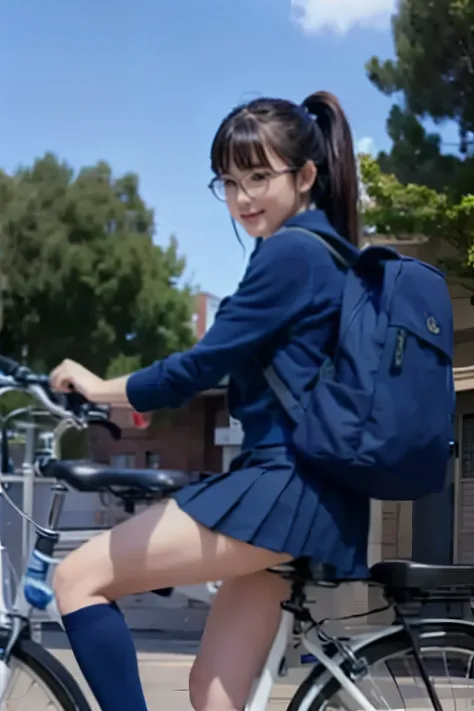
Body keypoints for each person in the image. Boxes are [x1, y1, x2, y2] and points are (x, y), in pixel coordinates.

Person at [50, 90, 370, 711]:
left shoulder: (291, 254)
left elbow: (197, 367)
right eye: (228, 181)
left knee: (77, 577)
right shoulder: (323, 250)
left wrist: (98, 387)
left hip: (283, 490)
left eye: (258, 176)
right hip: (309, 490)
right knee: (213, 694)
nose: (243, 196)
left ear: (305, 176)